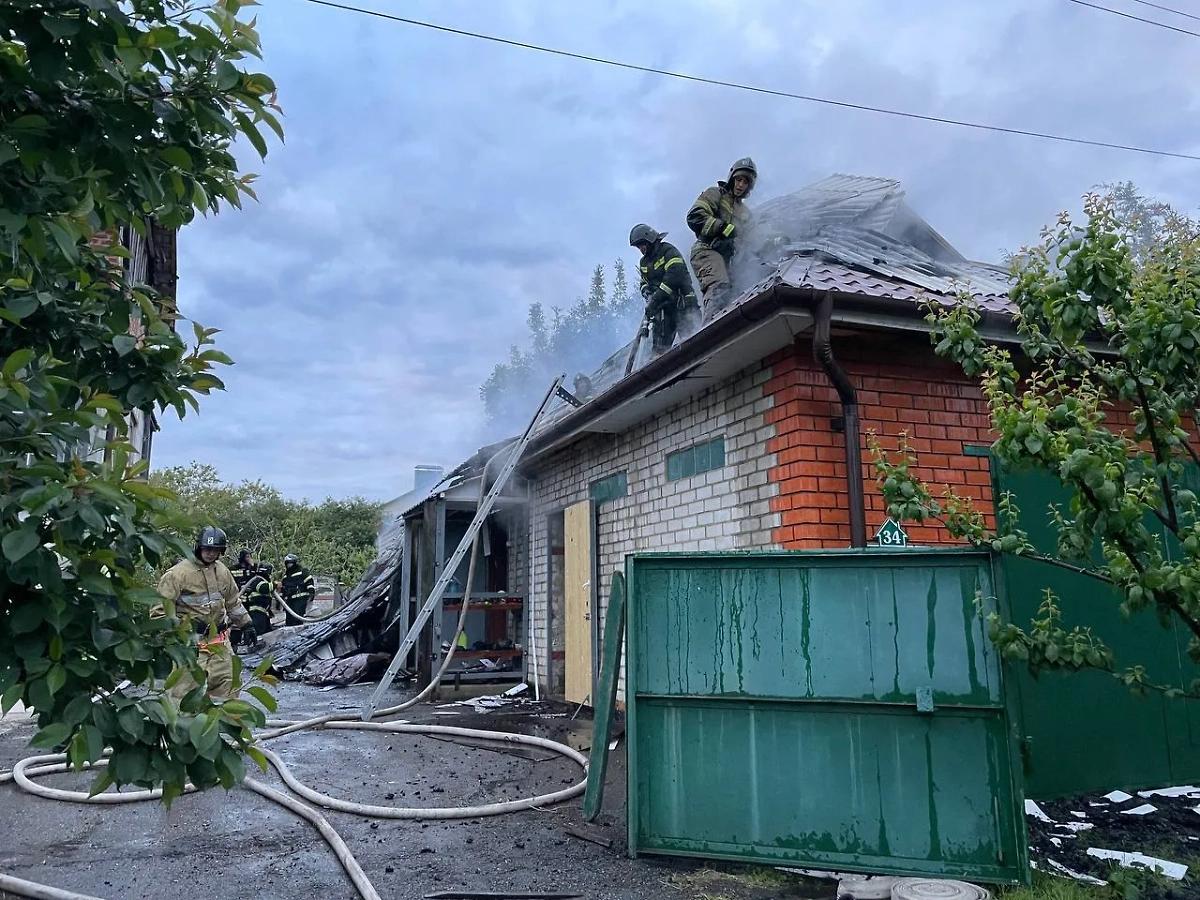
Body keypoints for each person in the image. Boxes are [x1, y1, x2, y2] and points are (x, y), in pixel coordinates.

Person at [156, 525, 253, 703]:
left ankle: (222, 720)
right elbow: (159, 611)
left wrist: (246, 624)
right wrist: (176, 633)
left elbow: (233, 601)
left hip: (220, 643)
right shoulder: (178, 574)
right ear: (198, 547)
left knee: (230, 689)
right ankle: (185, 721)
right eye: (207, 549)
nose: (210, 553)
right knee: (184, 696)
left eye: (215, 550)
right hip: (190, 645)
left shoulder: (222, 571)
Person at [686, 157, 757, 318]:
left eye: (745, 182)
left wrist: (772, 242)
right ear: (732, 179)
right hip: (706, 250)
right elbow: (695, 217)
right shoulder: (716, 193)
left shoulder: (745, 213)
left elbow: (752, 239)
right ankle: (709, 331)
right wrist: (722, 228)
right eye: (738, 180)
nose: (740, 185)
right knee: (719, 289)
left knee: (735, 296)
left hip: (728, 260)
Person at [629, 223, 699, 355]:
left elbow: (674, 277)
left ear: (649, 239)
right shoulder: (644, 263)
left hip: (683, 303)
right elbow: (644, 282)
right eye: (638, 247)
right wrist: (646, 292)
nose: (641, 249)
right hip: (663, 310)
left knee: (694, 339)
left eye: (642, 245)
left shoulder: (668, 251)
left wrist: (655, 299)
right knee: (659, 352)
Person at [280, 553, 315, 626]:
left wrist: (311, 593)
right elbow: (283, 589)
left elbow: (309, 582)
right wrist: (280, 601)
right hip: (289, 602)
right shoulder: (286, 576)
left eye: (290, 563)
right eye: (287, 563)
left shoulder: (302, 571)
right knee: (289, 621)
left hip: (300, 600)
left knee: (297, 620)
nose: (289, 565)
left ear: (294, 563)